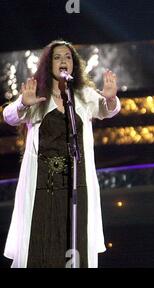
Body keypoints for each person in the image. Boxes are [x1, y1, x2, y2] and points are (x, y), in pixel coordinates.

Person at [2, 40, 121, 268]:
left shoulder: (83, 95)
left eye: (67, 56)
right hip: (43, 187)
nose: (63, 61)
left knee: (76, 245)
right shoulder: (37, 94)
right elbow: (9, 116)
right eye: (57, 57)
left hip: (77, 184)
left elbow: (108, 110)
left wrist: (110, 98)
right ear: (49, 64)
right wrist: (23, 105)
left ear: (73, 64)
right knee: (43, 248)